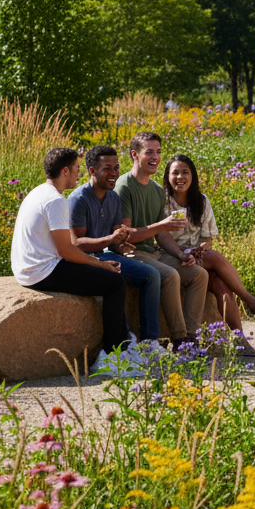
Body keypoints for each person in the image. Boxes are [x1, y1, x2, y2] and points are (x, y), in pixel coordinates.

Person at [10, 147, 128, 371]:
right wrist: (100, 264)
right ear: (65, 170)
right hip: (42, 271)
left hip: (28, 268)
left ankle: (124, 348)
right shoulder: (55, 201)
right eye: (75, 169)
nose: (78, 174)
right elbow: (67, 250)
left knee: (110, 277)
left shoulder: (38, 192)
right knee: (115, 283)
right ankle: (112, 357)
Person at [163, 155, 255, 355]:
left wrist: (200, 250)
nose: (180, 177)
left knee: (221, 286)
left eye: (185, 172)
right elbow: (160, 237)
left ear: (193, 176)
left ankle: (240, 341)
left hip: (197, 257)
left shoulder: (200, 201)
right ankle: (250, 301)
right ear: (167, 176)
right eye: (175, 172)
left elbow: (208, 239)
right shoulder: (162, 201)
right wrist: (187, 254)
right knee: (215, 257)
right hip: (170, 256)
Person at [115, 132, 209, 349]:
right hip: (132, 253)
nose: (155, 157)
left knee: (198, 275)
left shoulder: (157, 190)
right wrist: (163, 225)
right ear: (135, 155)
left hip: (154, 253)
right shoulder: (124, 186)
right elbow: (126, 235)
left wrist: (180, 255)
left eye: (158, 152)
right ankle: (179, 338)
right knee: (170, 275)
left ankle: (191, 338)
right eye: (149, 152)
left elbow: (162, 235)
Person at [68, 145, 165, 356]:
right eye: (107, 168)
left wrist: (120, 244)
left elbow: (113, 238)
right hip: (83, 260)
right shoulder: (79, 199)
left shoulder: (113, 198)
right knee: (116, 277)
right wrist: (110, 239)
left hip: (105, 254)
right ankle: (125, 341)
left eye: (116, 168)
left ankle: (149, 342)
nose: (114, 173)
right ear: (92, 171)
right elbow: (75, 243)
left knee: (151, 275)